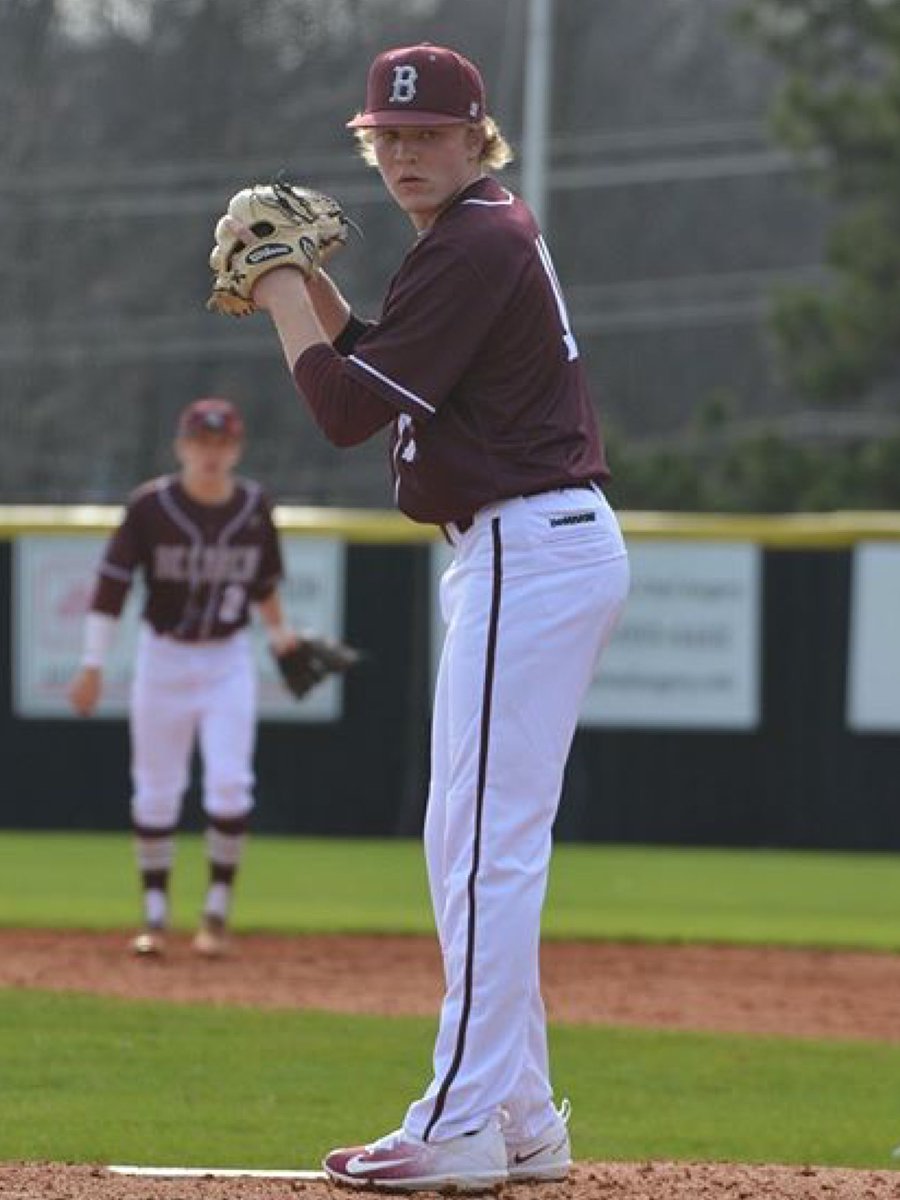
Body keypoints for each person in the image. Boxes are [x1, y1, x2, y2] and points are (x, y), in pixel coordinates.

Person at [216, 43, 630, 1191]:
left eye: (426, 134)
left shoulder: (475, 239)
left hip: (526, 550)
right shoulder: (476, 232)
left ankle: (459, 1124)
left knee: (486, 853)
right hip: (527, 549)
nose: (403, 153)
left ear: (474, 134)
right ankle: (522, 1114)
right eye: (385, 138)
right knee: (468, 847)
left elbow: (346, 410)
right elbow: (379, 369)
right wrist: (309, 290)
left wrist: (281, 284)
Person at [67, 397, 304, 960]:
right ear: (181, 446)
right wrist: (93, 664)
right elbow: (112, 588)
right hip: (164, 658)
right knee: (156, 788)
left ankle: (216, 911)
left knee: (229, 783)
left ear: (236, 448)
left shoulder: (252, 505)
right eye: (201, 442)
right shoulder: (150, 507)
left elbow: (264, 583)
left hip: (227, 660)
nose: (210, 453)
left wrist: (280, 637)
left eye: (221, 443)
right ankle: (154, 917)